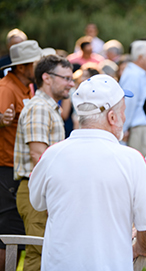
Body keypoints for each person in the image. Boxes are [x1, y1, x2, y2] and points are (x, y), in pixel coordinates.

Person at [28, 74, 146, 271]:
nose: (124, 118)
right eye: (123, 112)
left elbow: (37, 202)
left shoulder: (52, 155)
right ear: (112, 117)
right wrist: (141, 248)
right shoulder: (131, 159)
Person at [14, 54, 74, 271]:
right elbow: (38, 155)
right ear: (47, 78)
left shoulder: (49, 107)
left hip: (42, 189)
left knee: (44, 253)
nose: (71, 83)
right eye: (66, 78)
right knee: (39, 253)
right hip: (36, 190)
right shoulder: (39, 107)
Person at [0, 40, 44, 271]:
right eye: (35, 62)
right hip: (6, 168)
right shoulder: (6, 88)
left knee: (15, 230)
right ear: (22, 66)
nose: (39, 65)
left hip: (16, 170)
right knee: (6, 233)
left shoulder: (26, 86)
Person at [120, 40, 146, 156]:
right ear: (140, 57)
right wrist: (122, 130)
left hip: (145, 129)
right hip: (139, 131)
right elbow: (127, 104)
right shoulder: (132, 75)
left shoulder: (144, 74)